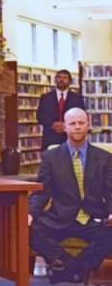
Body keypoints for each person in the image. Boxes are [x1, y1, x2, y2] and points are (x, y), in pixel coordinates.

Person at [28, 107, 112, 284]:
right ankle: (73, 268)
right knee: (27, 228)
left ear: (88, 126)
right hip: (59, 218)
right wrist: (29, 214)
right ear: (64, 127)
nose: (77, 127)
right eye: (72, 123)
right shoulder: (50, 157)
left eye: (81, 123)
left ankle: (67, 269)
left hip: (92, 219)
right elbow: (42, 192)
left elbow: (111, 191)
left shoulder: (104, 157)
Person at [37, 69, 85, 151]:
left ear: (70, 82)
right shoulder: (45, 97)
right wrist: (52, 124)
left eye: (65, 77)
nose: (61, 79)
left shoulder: (77, 98)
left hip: (69, 137)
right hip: (50, 136)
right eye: (59, 77)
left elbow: (81, 116)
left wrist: (66, 126)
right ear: (55, 80)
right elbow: (40, 116)